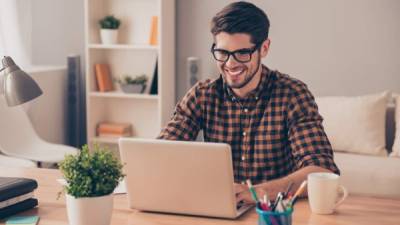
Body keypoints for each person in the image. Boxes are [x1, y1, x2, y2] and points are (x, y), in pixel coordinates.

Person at [158, 1, 339, 204]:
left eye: (242, 53)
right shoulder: (202, 95)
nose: (230, 63)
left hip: (274, 213)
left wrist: (257, 192)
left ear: (264, 48)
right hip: (218, 209)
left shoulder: (292, 95)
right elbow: (162, 153)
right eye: (222, 53)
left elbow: (323, 170)